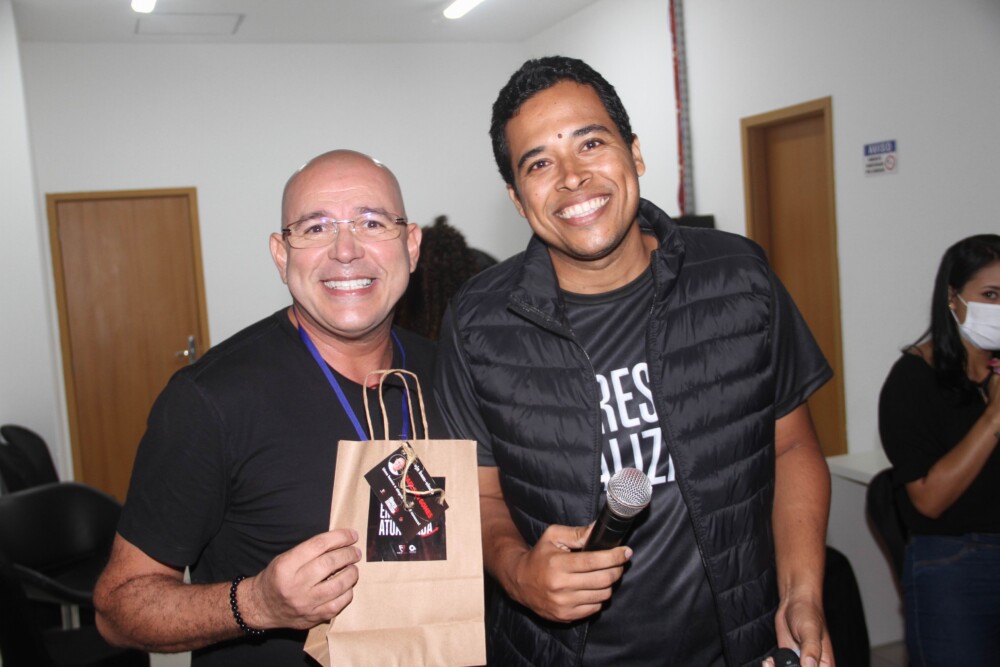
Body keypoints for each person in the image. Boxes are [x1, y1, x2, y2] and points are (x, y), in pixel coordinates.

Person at [433, 56, 835, 667]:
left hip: (741, 645)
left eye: (591, 143)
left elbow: (793, 446)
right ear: (517, 199)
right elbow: (476, 496)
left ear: (636, 153)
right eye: (539, 163)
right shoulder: (477, 323)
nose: (572, 177)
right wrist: (517, 572)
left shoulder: (738, 276)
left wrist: (801, 592)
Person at [93, 150, 434, 665]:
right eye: (315, 228)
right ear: (281, 255)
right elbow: (117, 609)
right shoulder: (209, 401)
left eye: (371, 222)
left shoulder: (449, 373)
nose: (345, 250)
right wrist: (257, 603)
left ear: (410, 245)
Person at [878, 234, 1000, 666]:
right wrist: (994, 417)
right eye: (991, 295)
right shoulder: (913, 379)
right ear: (953, 297)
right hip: (956, 562)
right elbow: (929, 499)